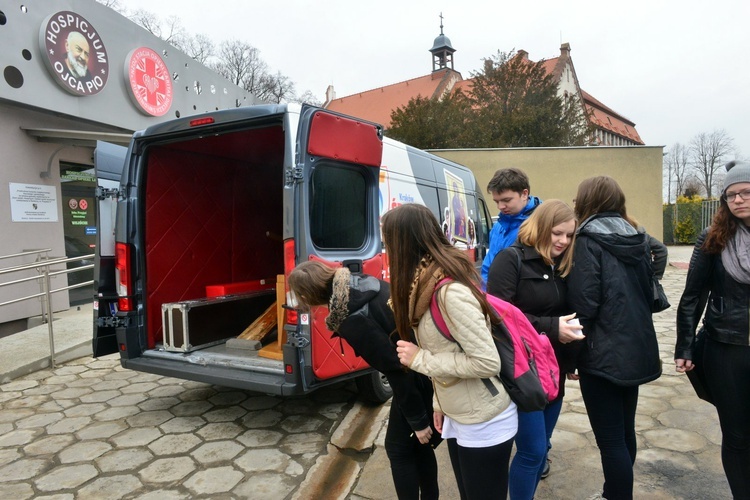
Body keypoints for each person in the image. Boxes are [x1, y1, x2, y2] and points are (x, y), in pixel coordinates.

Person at [382, 203, 518, 500]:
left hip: (486, 417)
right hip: (460, 413)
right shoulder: (422, 287)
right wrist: (439, 403)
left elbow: (486, 362)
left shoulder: (448, 292)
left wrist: (421, 359)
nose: (386, 252)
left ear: (404, 244)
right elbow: (449, 346)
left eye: (388, 243)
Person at [287, 261, 439, 500]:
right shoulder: (361, 283)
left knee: (399, 449)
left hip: (416, 376)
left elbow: (396, 368)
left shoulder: (351, 318)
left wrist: (418, 420)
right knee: (418, 446)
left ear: (309, 294)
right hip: (425, 363)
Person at [566, 176, 662, 500]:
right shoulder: (636, 236)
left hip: (601, 355)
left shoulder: (585, 240)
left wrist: (572, 357)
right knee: (624, 432)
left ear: (585, 201)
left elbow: (584, 306)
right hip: (635, 348)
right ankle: (614, 491)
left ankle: (616, 496)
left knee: (610, 440)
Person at [486, 200, 583, 499]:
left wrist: (572, 360)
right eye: (557, 233)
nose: (563, 241)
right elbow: (498, 317)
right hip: (522, 373)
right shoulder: (509, 259)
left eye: (569, 235)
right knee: (532, 453)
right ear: (541, 227)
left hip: (553, 372)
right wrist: (552, 327)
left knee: (541, 450)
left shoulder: (560, 265)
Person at [675, 160, 750, 499]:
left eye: (746, 192)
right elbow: (692, 296)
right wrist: (685, 347)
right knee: (736, 436)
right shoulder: (713, 238)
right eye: (731, 194)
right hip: (726, 348)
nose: (738, 199)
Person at [480, 168, 542, 284]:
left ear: (524, 194)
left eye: (506, 200)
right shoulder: (498, 226)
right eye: (496, 201)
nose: (500, 207)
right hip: (494, 296)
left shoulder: (543, 223)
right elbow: (488, 266)